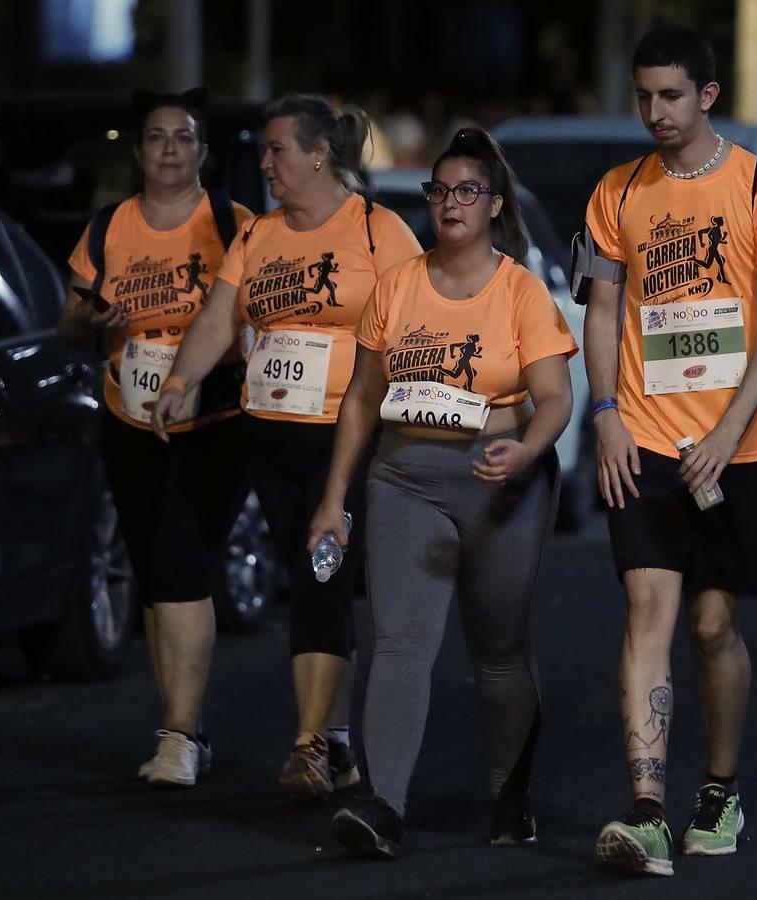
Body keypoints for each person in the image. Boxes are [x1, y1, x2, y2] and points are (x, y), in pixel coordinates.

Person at [580, 24, 757, 877]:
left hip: (738, 445)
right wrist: (604, 411)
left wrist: (725, 435)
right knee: (648, 612)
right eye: (643, 95)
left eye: (671, 95)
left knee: (714, 626)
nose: (654, 111)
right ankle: (646, 811)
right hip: (641, 434)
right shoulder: (616, 191)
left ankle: (720, 789)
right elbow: (603, 311)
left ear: (708, 96)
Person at [308, 127, 576, 858]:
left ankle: (510, 793)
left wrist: (524, 450)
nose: (450, 204)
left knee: (497, 652)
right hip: (403, 483)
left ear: (493, 205)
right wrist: (335, 499)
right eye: (439, 191)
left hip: (499, 489)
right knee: (399, 643)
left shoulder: (520, 290)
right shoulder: (397, 286)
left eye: (466, 192)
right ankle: (382, 806)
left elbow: (554, 398)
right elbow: (361, 400)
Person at [151, 94, 422, 800]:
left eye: (277, 150)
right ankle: (335, 743)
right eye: (265, 152)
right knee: (312, 587)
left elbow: (420, 322)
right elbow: (218, 320)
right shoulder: (259, 237)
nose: (265, 164)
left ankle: (308, 744)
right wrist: (182, 379)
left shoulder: (377, 231)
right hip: (268, 438)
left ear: (318, 154)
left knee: (320, 581)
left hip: (347, 440)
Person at [58, 89, 253, 786]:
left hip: (216, 420)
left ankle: (180, 734)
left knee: (179, 561)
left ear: (202, 150)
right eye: (156, 137)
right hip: (130, 416)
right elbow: (70, 324)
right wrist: (92, 317)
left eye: (183, 137)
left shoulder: (234, 224)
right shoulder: (109, 228)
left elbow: (271, 309)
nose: (169, 148)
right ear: (138, 152)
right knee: (157, 569)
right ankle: (180, 728)